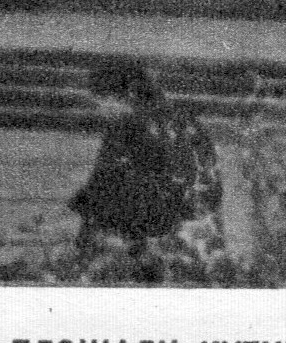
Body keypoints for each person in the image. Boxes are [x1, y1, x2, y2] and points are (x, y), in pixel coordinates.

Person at [72, 61, 223, 273]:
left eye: (103, 101)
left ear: (127, 95)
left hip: (155, 223)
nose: (100, 109)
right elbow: (209, 173)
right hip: (196, 219)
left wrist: (85, 233)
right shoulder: (187, 120)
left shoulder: (125, 126)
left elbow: (102, 183)